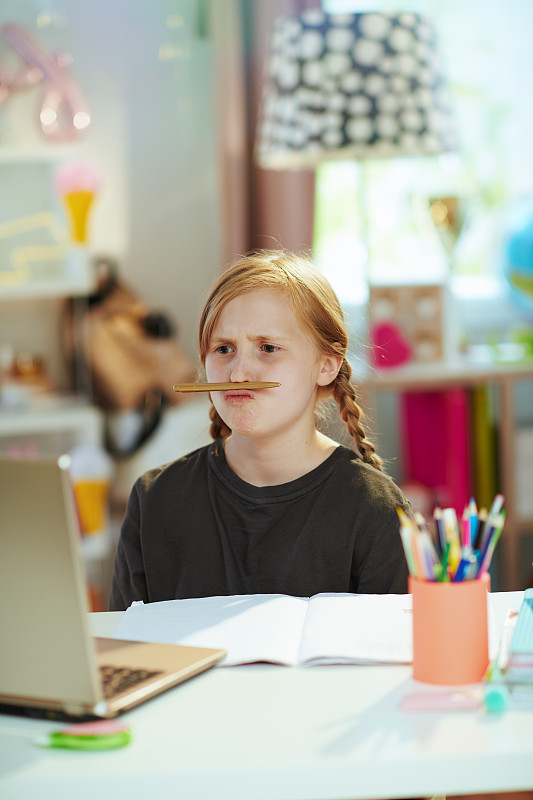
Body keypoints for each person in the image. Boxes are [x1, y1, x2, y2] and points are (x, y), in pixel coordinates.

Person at [109, 250, 410, 610]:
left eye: (267, 348)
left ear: (327, 366)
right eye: (223, 349)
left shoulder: (375, 509)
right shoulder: (155, 501)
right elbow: (126, 648)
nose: (238, 373)